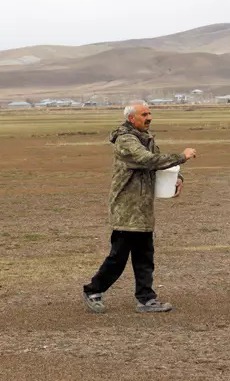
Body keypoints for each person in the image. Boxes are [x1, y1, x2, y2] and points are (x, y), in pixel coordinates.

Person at [82, 101, 197, 313]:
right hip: (127, 207)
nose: (149, 117)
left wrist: (177, 177)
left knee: (145, 256)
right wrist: (182, 157)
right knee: (118, 257)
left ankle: (146, 299)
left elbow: (158, 165)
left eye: (150, 113)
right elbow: (146, 160)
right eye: (144, 114)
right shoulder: (126, 140)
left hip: (143, 207)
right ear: (131, 119)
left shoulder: (147, 138)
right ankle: (93, 290)